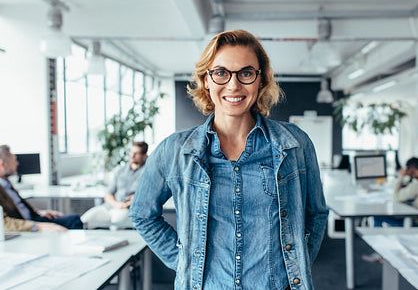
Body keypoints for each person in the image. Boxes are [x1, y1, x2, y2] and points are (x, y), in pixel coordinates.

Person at [129, 29, 328, 290]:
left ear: (260, 80)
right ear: (206, 80)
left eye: (246, 73)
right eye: (221, 72)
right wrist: (183, 261)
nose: (233, 85)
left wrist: (294, 265)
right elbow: (142, 214)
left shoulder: (295, 144)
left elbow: (316, 214)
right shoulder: (173, 150)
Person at [0, 145, 83, 232]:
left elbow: (19, 208)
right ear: (2, 164)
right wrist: (38, 226)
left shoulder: (4, 182)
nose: (17, 163)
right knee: (72, 221)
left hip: (32, 219)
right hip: (26, 225)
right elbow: (0, 222)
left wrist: (39, 213)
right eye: (14, 160)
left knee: (73, 219)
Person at [81, 141, 148, 226]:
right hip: (110, 207)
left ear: (144, 156)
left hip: (128, 210)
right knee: (84, 220)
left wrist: (130, 203)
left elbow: (147, 196)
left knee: (116, 225)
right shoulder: (120, 170)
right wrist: (116, 204)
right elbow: (108, 194)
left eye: (136, 153)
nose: (132, 155)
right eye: (131, 152)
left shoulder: (147, 173)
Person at [374, 157, 418, 227]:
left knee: (377, 216)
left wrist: (401, 176)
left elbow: (396, 198)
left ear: (411, 170)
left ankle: (376, 237)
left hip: (417, 222)